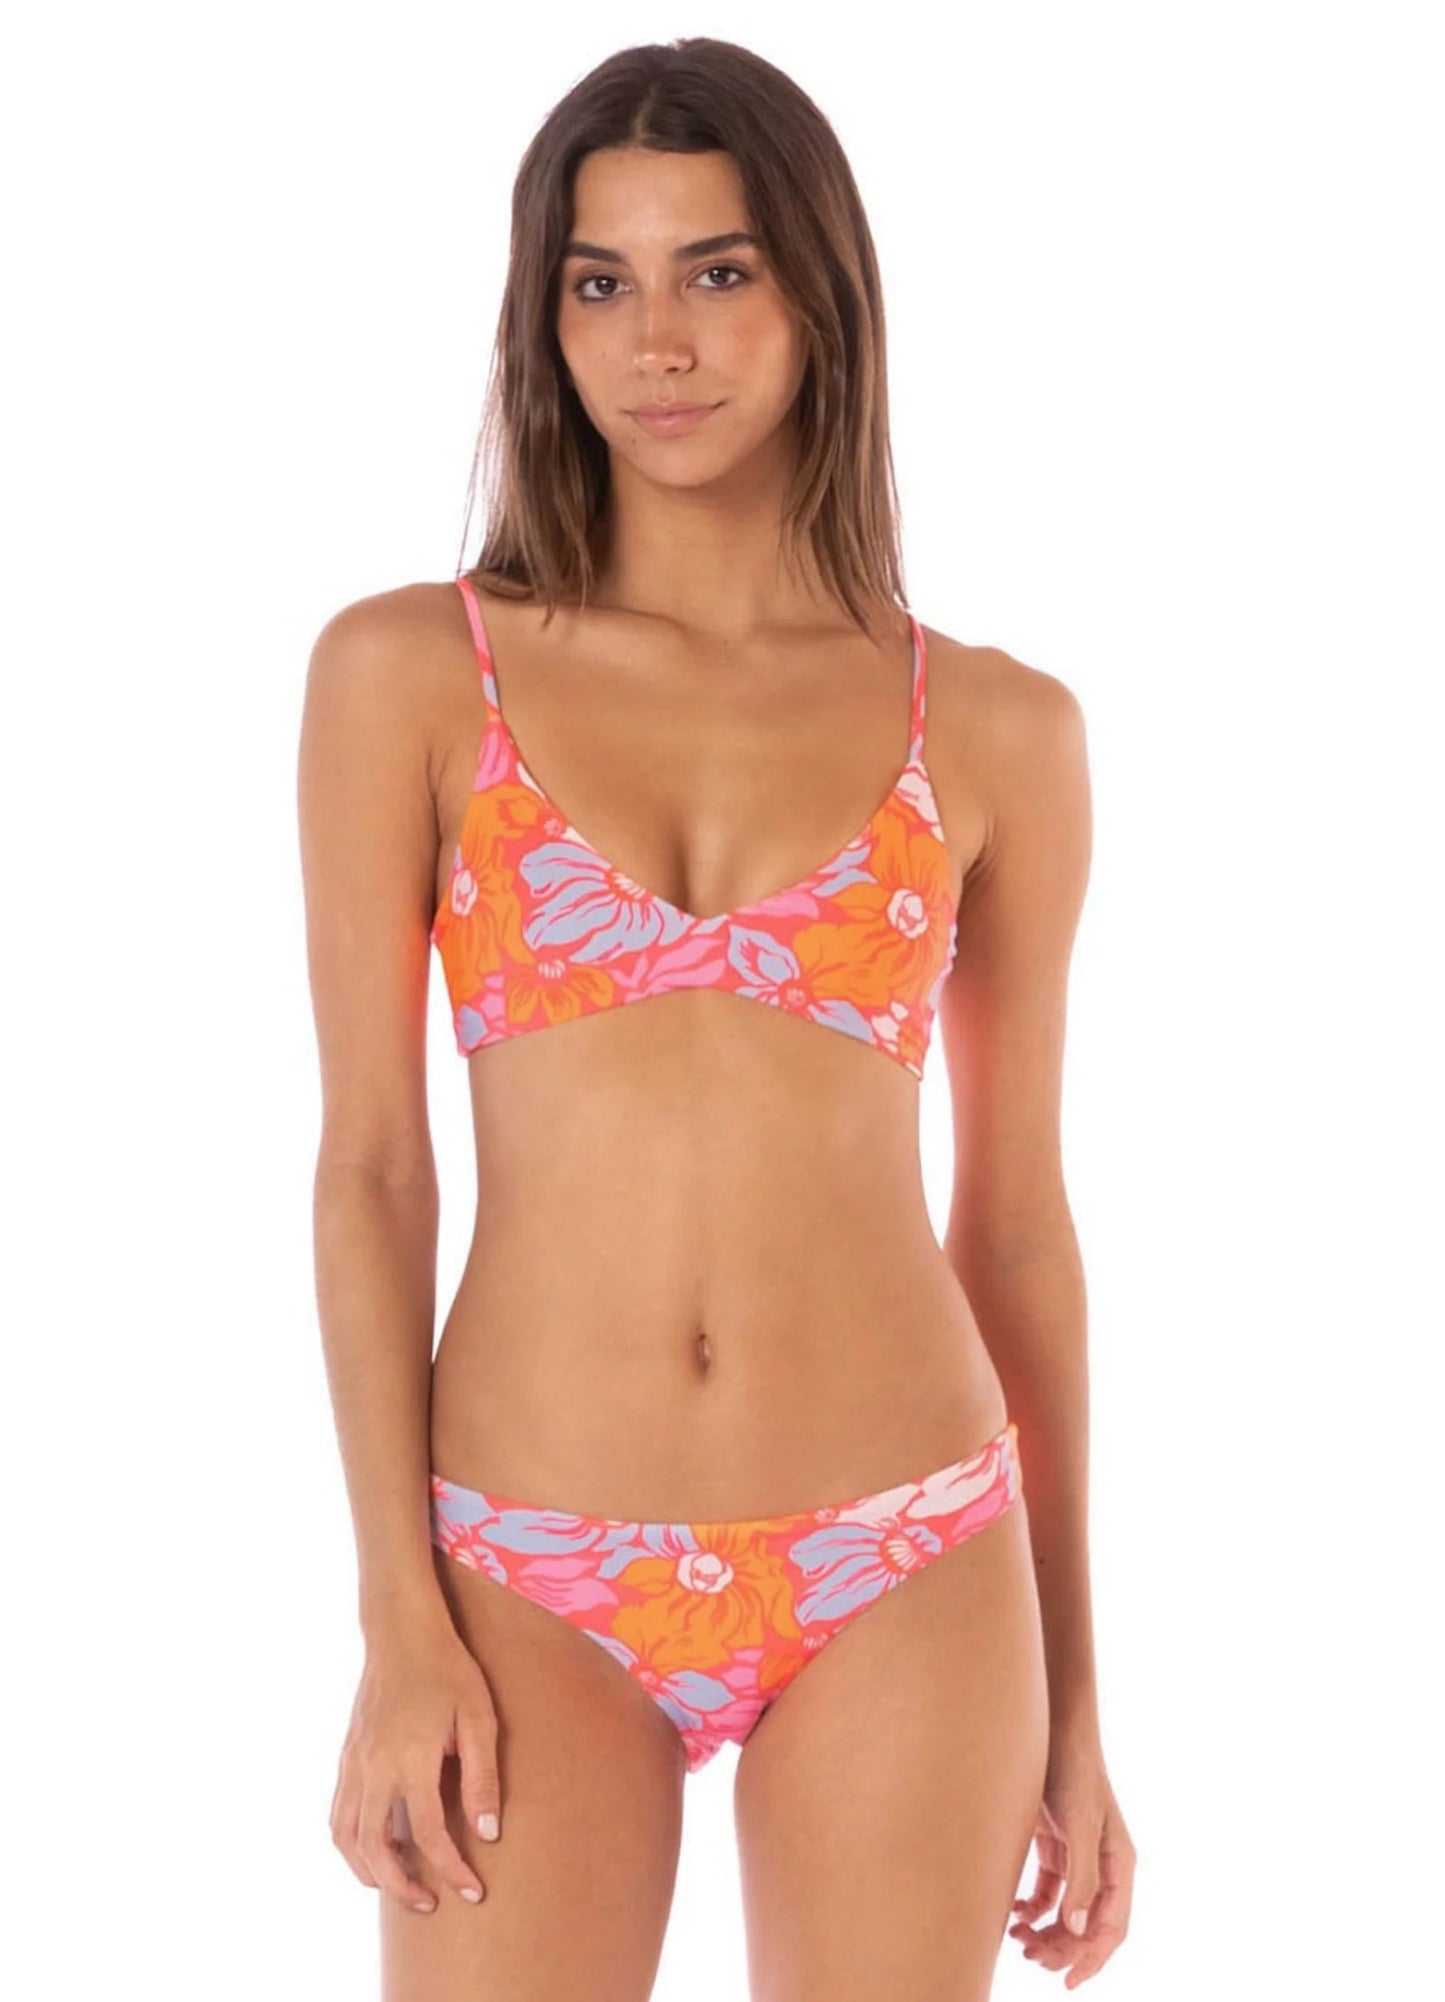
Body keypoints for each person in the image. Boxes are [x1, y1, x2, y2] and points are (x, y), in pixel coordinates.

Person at [297, 34, 1135, 2000]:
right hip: (524, 1558)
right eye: (600, 280)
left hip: (906, 1551)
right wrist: (397, 1617)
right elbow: (371, 1172)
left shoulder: (996, 726)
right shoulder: (410, 676)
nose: (653, 341)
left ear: (820, 295)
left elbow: (1016, 1222)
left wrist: (1080, 1694)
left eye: (718, 271)